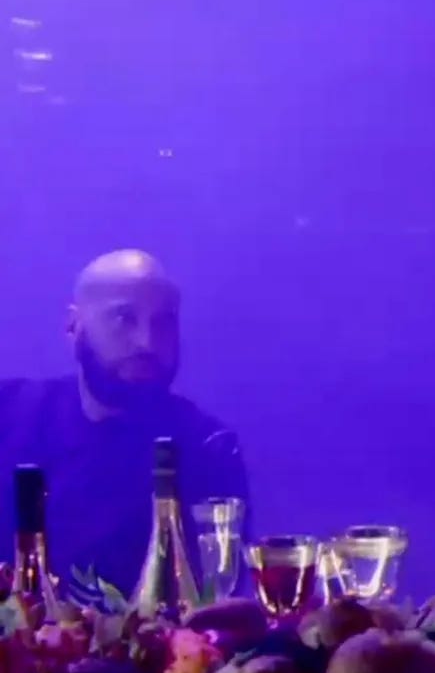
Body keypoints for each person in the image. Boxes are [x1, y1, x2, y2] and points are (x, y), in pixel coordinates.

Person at [0, 250, 249, 596]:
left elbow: (220, 598)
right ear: (74, 325)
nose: (147, 342)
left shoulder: (208, 447)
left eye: (163, 322)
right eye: (124, 318)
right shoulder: (11, 415)